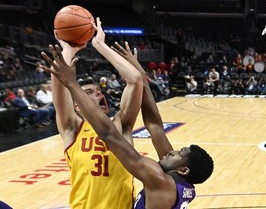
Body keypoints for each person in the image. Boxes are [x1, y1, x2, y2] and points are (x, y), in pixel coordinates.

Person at [41, 38, 214, 209]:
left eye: (178, 154)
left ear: (183, 170)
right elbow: (154, 124)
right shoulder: (177, 179)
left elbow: (108, 134)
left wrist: (72, 82)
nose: (170, 152)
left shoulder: (159, 180)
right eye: (89, 92)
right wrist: (140, 73)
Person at [41, 17, 143, 208]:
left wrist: (100, 45)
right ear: (78, 105)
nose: (97, 93)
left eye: (98, 91)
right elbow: (61, 83)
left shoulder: (121, 125)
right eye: (88, 92)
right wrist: (69, 50)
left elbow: (135, 80)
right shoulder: (73, 128)